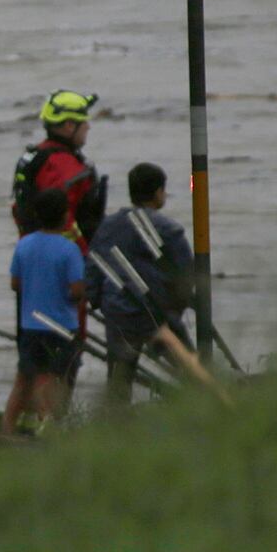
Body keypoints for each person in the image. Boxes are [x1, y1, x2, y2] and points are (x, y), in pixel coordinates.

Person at [86, 163, 194, 409]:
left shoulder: (109, 226)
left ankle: (116, 426)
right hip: (157, 313)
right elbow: (185, 275)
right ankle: (198, 412)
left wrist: (97, 300)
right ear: (158, 192)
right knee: (188, 367)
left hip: (119, 311)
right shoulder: (167, 229)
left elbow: (94, 266)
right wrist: (178, 307)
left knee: (120, 376)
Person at [5, 188, 87, 433]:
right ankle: (47, 430)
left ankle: (7, 430)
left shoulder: (25, 244)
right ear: (64, 216)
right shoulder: (69, 249)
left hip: (30, 326)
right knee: (52, 380)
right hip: (61, 326)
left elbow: (15, 284)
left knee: (23, 379)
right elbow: (77, 290)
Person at [10, 90, 105, 246]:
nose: (88, 127)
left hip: (32, 250)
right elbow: (61, 221)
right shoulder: (63, 167)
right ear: (69, 126)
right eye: (84, 122)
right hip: (63, 258)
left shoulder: (35, 156)